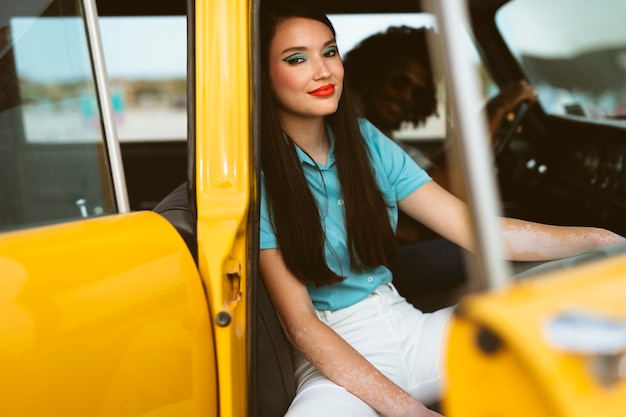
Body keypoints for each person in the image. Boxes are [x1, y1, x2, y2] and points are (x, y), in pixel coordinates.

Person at [258, 4, 624, 417]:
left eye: (329, 52)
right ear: (263, 74)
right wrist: (410, 410)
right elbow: (300, 324)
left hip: (410, 329)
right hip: (333, 361)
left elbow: (477, 229)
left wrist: (603, 242)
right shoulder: (258, 178)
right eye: (297, 59)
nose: (323, 71)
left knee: (597, 284)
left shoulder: (365, 141)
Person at [342, 26, 539, 297]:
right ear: (371, 75)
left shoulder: (378, 136)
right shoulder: (353, 129)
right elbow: (445, 187)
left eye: (419, 92)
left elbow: (421, 173)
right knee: (504, 244)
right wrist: (497, 109)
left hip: (390, 247)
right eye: (400, 82)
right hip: (375, 263)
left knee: (511, 226)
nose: (407, 97)